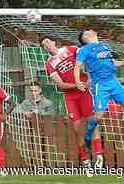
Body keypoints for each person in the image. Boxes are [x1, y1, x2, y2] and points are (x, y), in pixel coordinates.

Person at [74, 30, 124, 162]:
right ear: (86, 37)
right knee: (99, 116)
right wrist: (78, 81)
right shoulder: (83, 50)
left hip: (113, 81)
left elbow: (112, 62)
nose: (91, 30)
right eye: (88, 30)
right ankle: (88, 137)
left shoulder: (105, 46)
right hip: (100, 85)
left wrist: (123, 62)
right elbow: (77, 66)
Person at [40, 36, 104, 168]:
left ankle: (99, 155)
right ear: (44, 49)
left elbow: (88, 57)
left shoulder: (71, 49)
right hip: (70, 97)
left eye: (47, 42)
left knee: (92, 121)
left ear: (54, 42)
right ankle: (85, 159)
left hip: (85, 92)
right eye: (43, 45)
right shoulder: (49, 64)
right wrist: (77, 85)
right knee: (77, 129)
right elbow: (60, 85)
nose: (47, 45)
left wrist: (91, 75)